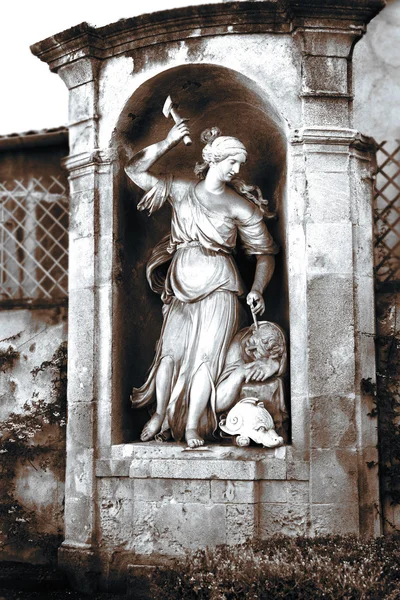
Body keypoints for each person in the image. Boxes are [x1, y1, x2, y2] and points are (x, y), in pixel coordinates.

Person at [125, 122, 279, 448]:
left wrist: (257, 289)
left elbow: (265, 254)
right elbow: (134, 169)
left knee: (207, 359)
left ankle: (193, 425)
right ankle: (160, 415)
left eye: (240, 163)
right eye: (232, 162)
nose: (237, 169)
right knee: (169, 353)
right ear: (213, 158)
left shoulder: (241, 206)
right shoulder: (180, 190)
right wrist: (167, 141)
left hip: (221, 286)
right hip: (180, 284)